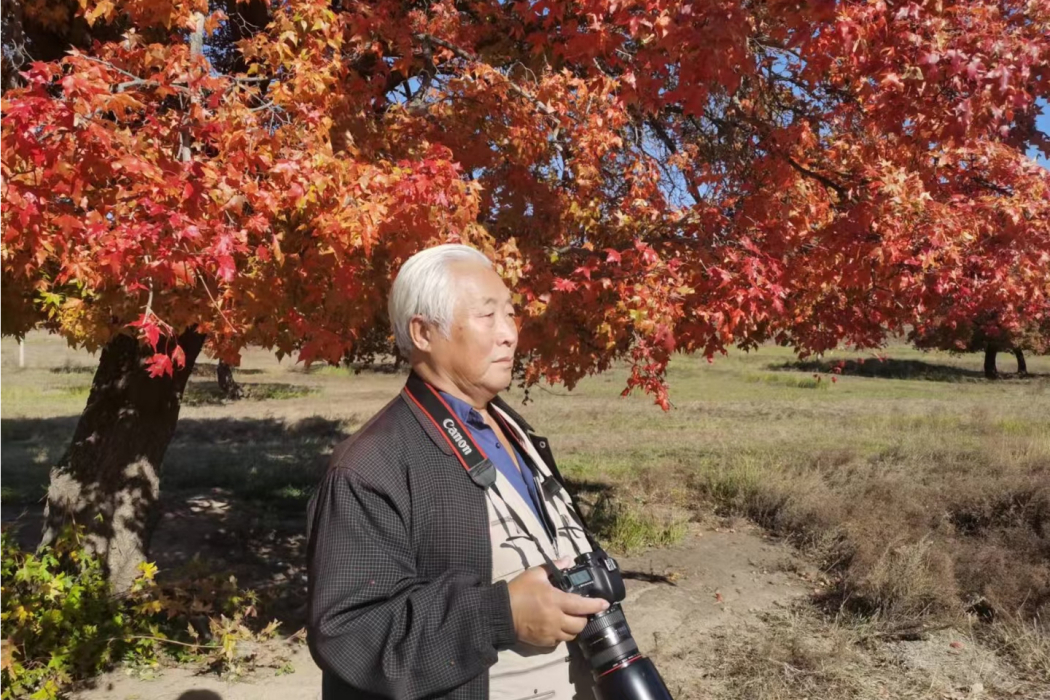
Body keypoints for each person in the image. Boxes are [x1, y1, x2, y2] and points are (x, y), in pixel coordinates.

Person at [307, 244, 609, 700]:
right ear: (423, 333)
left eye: (511, 314)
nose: (510, 334)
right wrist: (498, 615)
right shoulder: (370, 466)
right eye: (488, 316)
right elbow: (350, 634)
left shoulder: (510, 427)